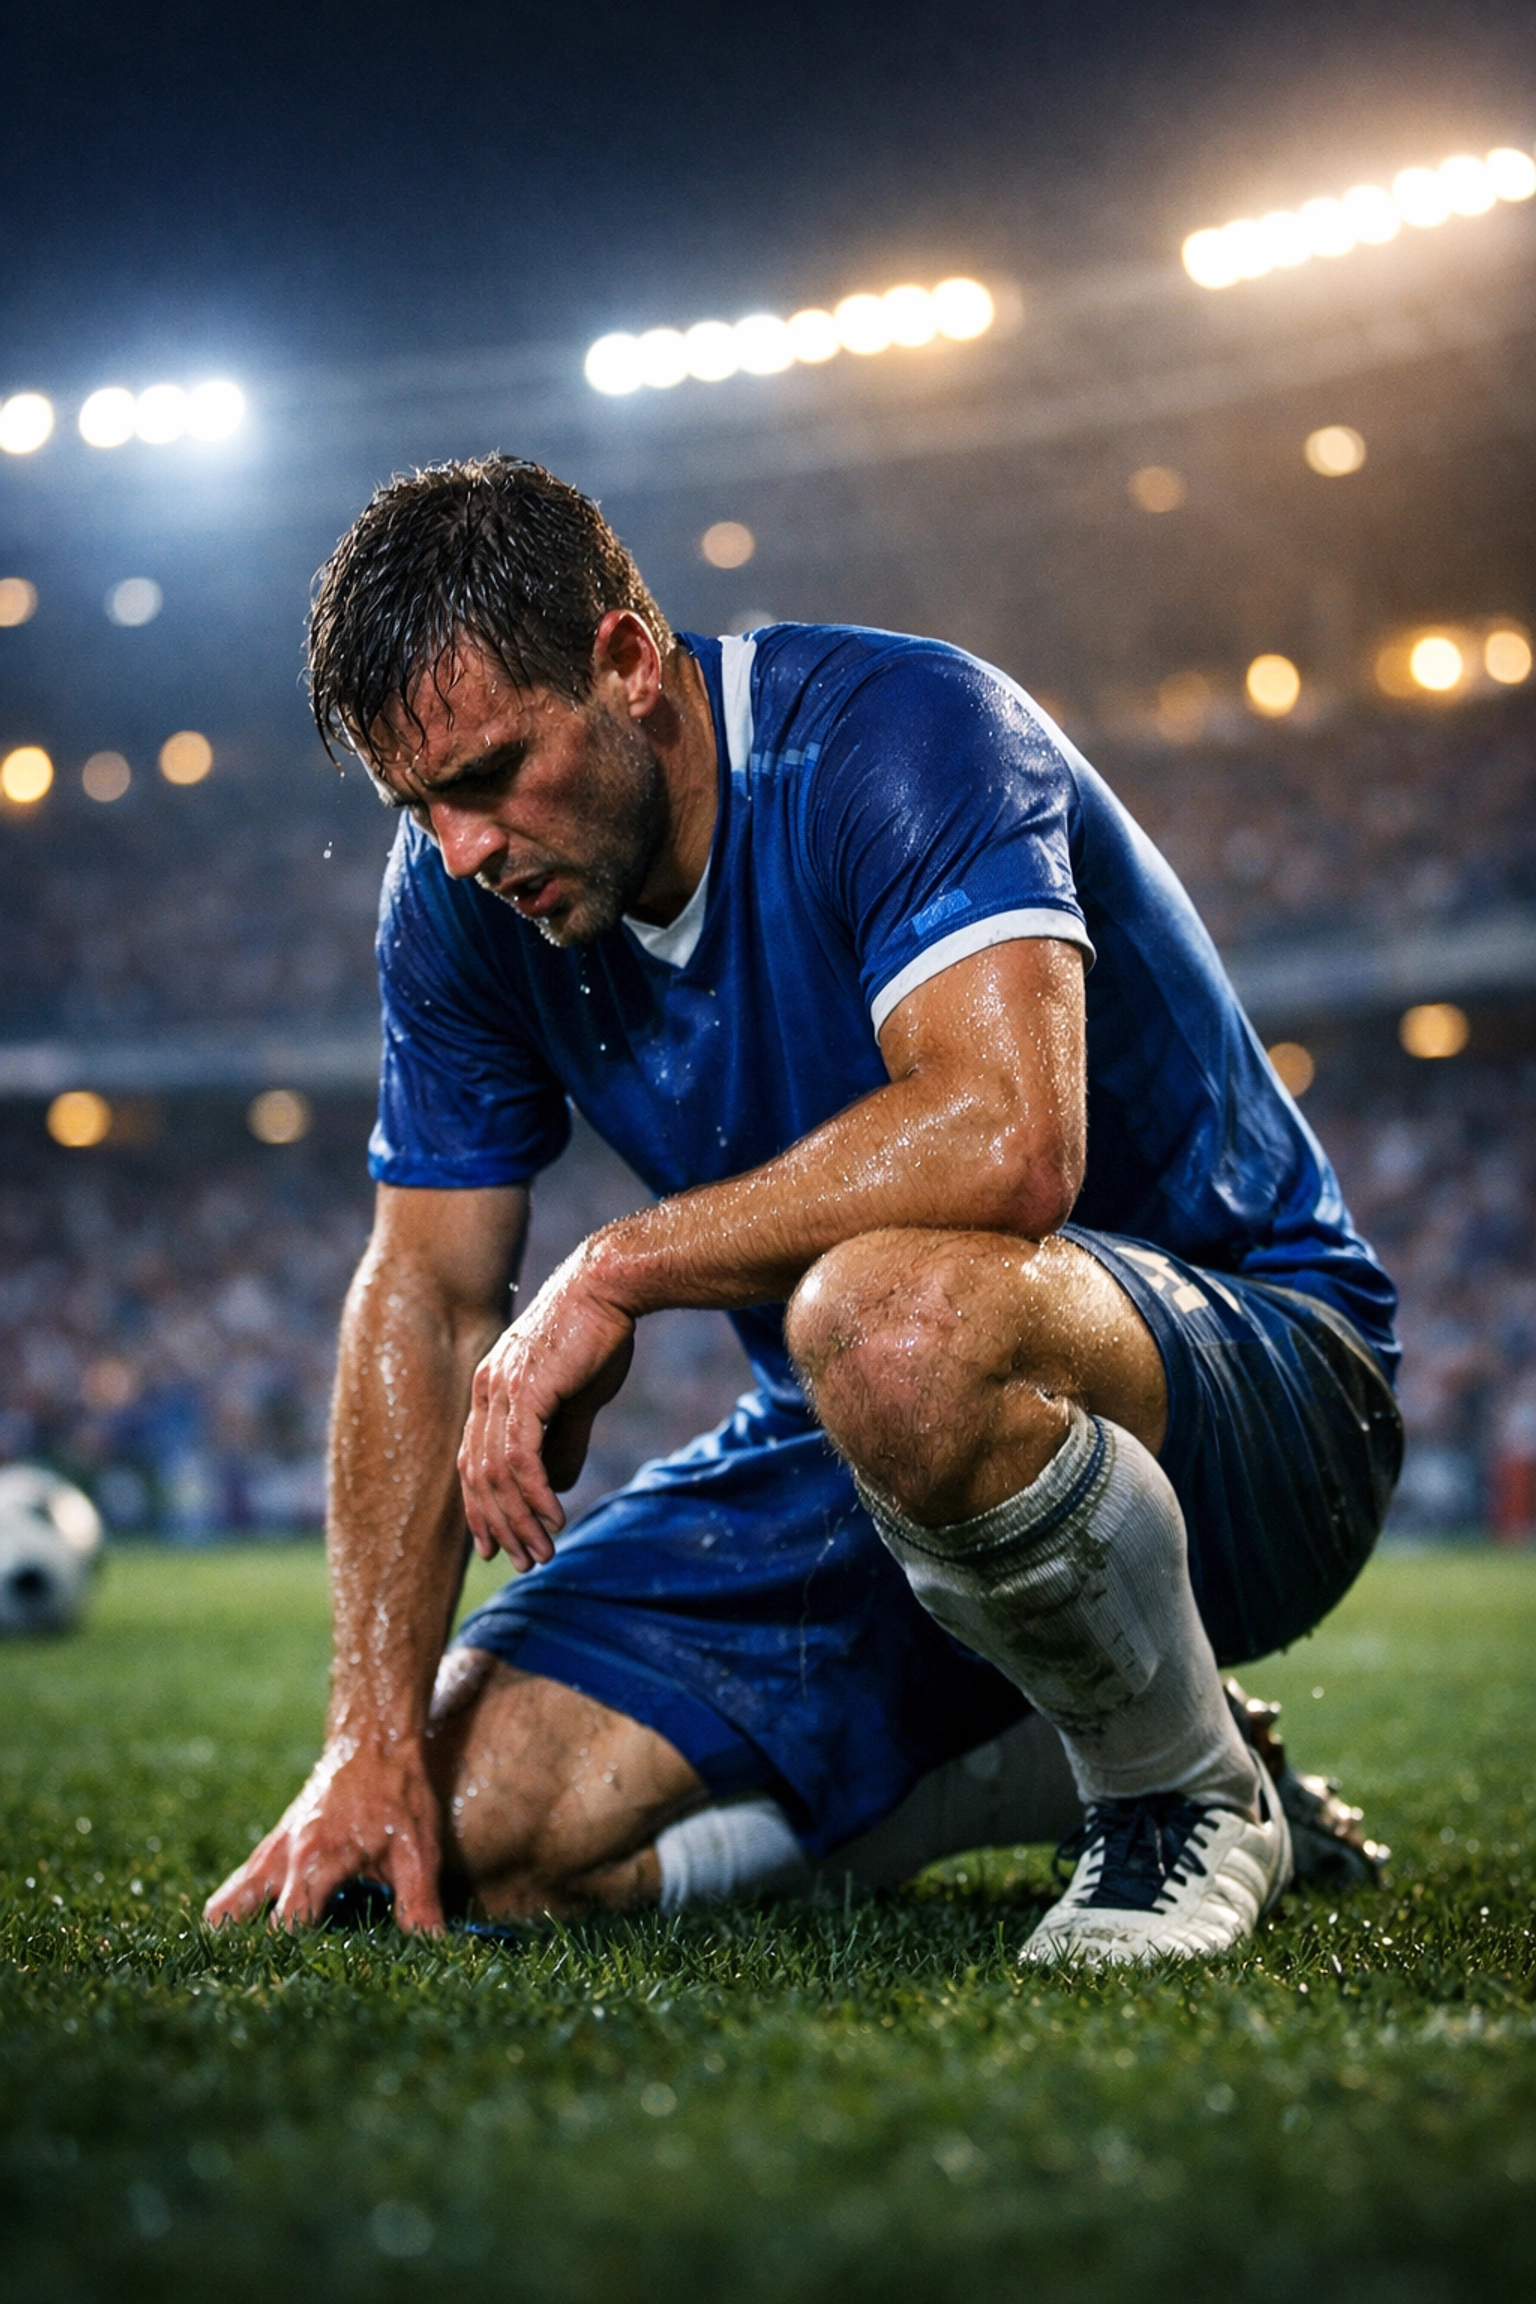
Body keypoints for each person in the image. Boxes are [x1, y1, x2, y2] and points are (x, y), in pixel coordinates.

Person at [205, 455, 1402, 1964]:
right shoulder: (452, 897)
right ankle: (1056, 1739)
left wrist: (620, 1264)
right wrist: (367, 1733)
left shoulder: (904, 735)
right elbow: (429, 1291)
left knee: (889, 1317)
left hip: (1263, 1387)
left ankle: (1179, 1800)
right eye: (419, 803)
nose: (463, 849)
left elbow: (1007, 1137)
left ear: (627, 664)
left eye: (492, 774)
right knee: (466, 1845)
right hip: (857, 1437)